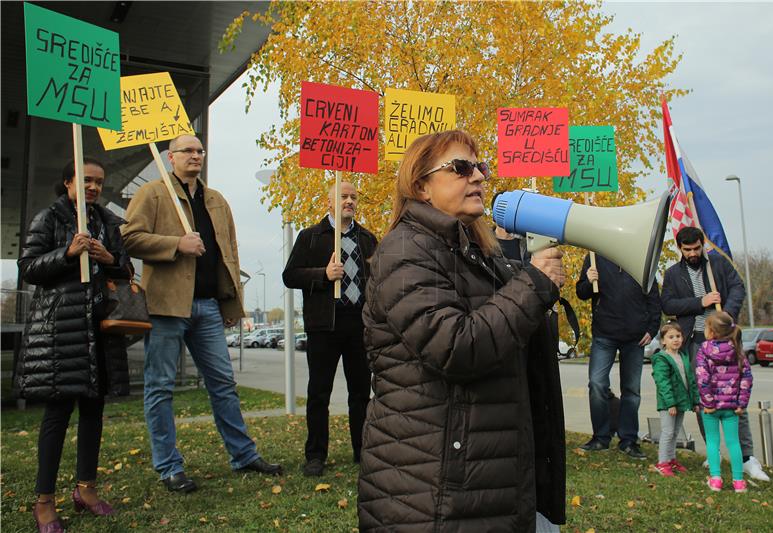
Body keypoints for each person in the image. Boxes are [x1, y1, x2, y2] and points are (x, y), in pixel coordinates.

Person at [357, 130, 566, 532]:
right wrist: (534, 286)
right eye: (460, 167)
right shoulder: (404, 253)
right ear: (421, 186)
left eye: (481, 167)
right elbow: (455, 346)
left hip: (476, 475)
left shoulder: (471, 250)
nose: (479, 177)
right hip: (434, 488)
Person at [122, 134, 282, 493]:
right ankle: (169, 466)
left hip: (209, 305)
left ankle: (243, 454)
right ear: (170, 157)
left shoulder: (216, 201)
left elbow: (230, 254)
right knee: (160, 386)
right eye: (187, 151)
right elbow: (129, 237)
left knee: (223, 384)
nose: (195, 156)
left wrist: (231, 302)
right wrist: (175, 244)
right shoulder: (153, 193)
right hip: (166, 306)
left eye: (199, 151)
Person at [17, 158, 132, 532]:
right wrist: (67, 253)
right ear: (67, 183)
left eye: (98, 182)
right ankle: (44, 500)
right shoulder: (49, 218)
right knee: (57, 415)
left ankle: (86, 489)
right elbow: (29, 266)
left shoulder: (108, 222)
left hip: (100, 329)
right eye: (85, 181)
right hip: (60, 331)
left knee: (93, 411)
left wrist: (109, 258)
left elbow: (126, 270)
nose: (93, 188)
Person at [282, 182, 377, 477]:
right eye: (343, 197)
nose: (349, 201)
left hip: (358, 323)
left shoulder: (368, 239)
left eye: (353, 197)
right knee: (319, 393)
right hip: (324, 324)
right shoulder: (311, 237)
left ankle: (363, 451)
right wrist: (323, 275)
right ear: (329, 201)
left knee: (361, 392)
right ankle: (315, 455)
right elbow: (290, 275)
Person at [661, 226, 769, 481]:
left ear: (702, 244)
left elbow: (738, 288)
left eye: (697, 248)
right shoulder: (674, 274)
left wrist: (725, 316)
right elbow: (668, 304)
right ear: (680, 249)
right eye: (687, 250)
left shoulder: (718, 263)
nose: (693, 253)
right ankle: (714, 455)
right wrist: (701, 302)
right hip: (695, 342)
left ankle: (746, 457)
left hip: (726, 340)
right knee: (703, 401)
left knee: (732, 398)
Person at [576, 254, 661, 459]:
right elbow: (582, 293)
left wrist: (652, 328)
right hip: (604, 334)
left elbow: (654, 298)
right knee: (597, 383)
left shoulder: (640, 259)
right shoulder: (595, 257)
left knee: (631, 390)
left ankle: (628, 440)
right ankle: (600, 438)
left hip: (635, 337)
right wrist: (588, 280)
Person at [695, 311, 753, 493]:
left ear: (711, 331)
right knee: (733, 442)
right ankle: (738, 481)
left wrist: (708, 403)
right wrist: (741, 404)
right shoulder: (738, 350)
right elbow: (747, 378)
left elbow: (702, 378)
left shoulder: (704, 350)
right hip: (731, 407)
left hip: (711, 408)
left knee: (712, 442)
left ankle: (716, 480)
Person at [651, 322, 699, 477]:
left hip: (681, 401)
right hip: (668, 404)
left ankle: (671, 459)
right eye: (671, 337)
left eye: (678, 336)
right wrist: (670, 403)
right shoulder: (661, 358)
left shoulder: (682, 356)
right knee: (668, 432)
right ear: (663, 341)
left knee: (675, 432)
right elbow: (662, 382)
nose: (676, 339)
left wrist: (695, 401)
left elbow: (690, 379)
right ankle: (662, 463)